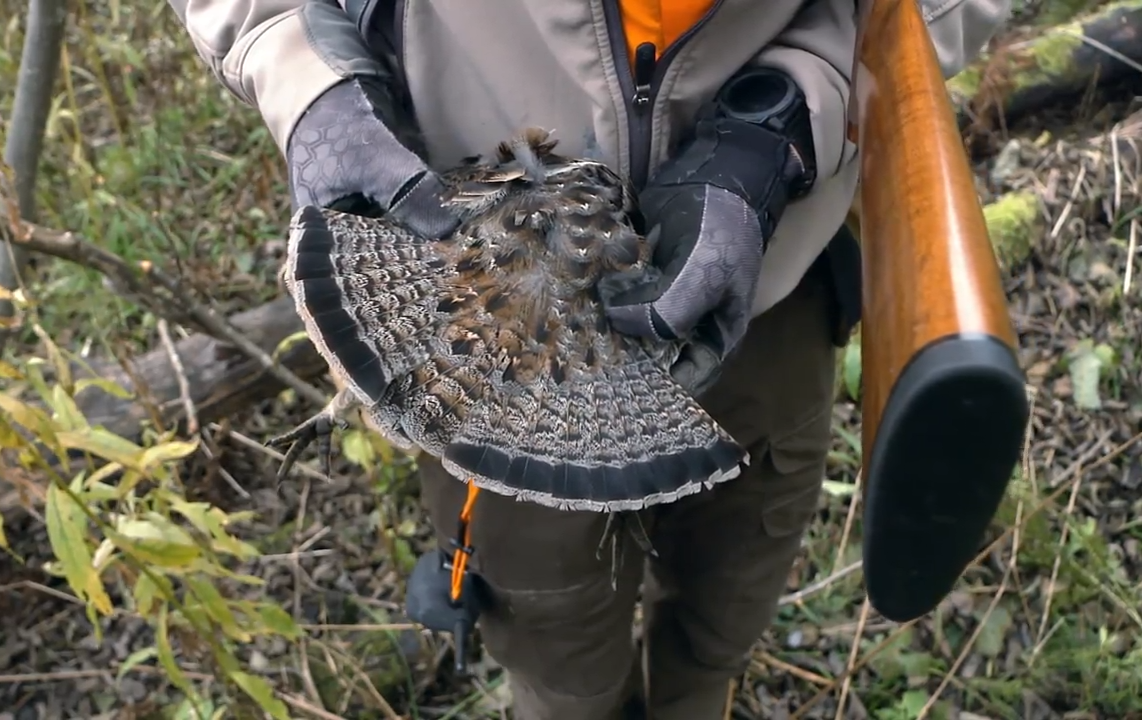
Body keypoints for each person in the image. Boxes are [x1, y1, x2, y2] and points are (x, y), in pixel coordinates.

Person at [167, 1, 1011, 717]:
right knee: (551, 647)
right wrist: (302, 67)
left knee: (724, 614)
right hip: (479, 311)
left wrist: (785, 117)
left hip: (767, 286)